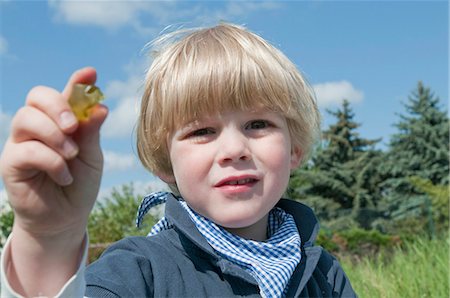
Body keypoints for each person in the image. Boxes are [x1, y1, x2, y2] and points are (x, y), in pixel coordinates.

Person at [0, 23, 356, 297]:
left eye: (258, 124)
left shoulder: (323, 273)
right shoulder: (137, 272)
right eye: (202, 131)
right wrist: (49, 238)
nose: (234, 148)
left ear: (294, 149)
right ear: (165, 163)